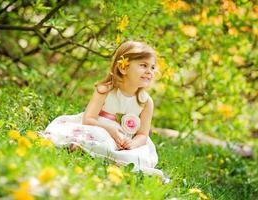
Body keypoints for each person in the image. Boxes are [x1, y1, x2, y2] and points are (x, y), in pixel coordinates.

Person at [39, 40, 167, 179]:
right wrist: (109, 129)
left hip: (125, 140)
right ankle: (84, 148)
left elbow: (142, 134)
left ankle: (115, 159)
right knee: (97, 135)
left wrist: (132, 144)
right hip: (100, 127)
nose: (149, 71)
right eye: (143, 65)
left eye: (153, 68)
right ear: (123, 68)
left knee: (138, 154)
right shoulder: (105, 90)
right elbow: (88, 119)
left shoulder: (145, 102)